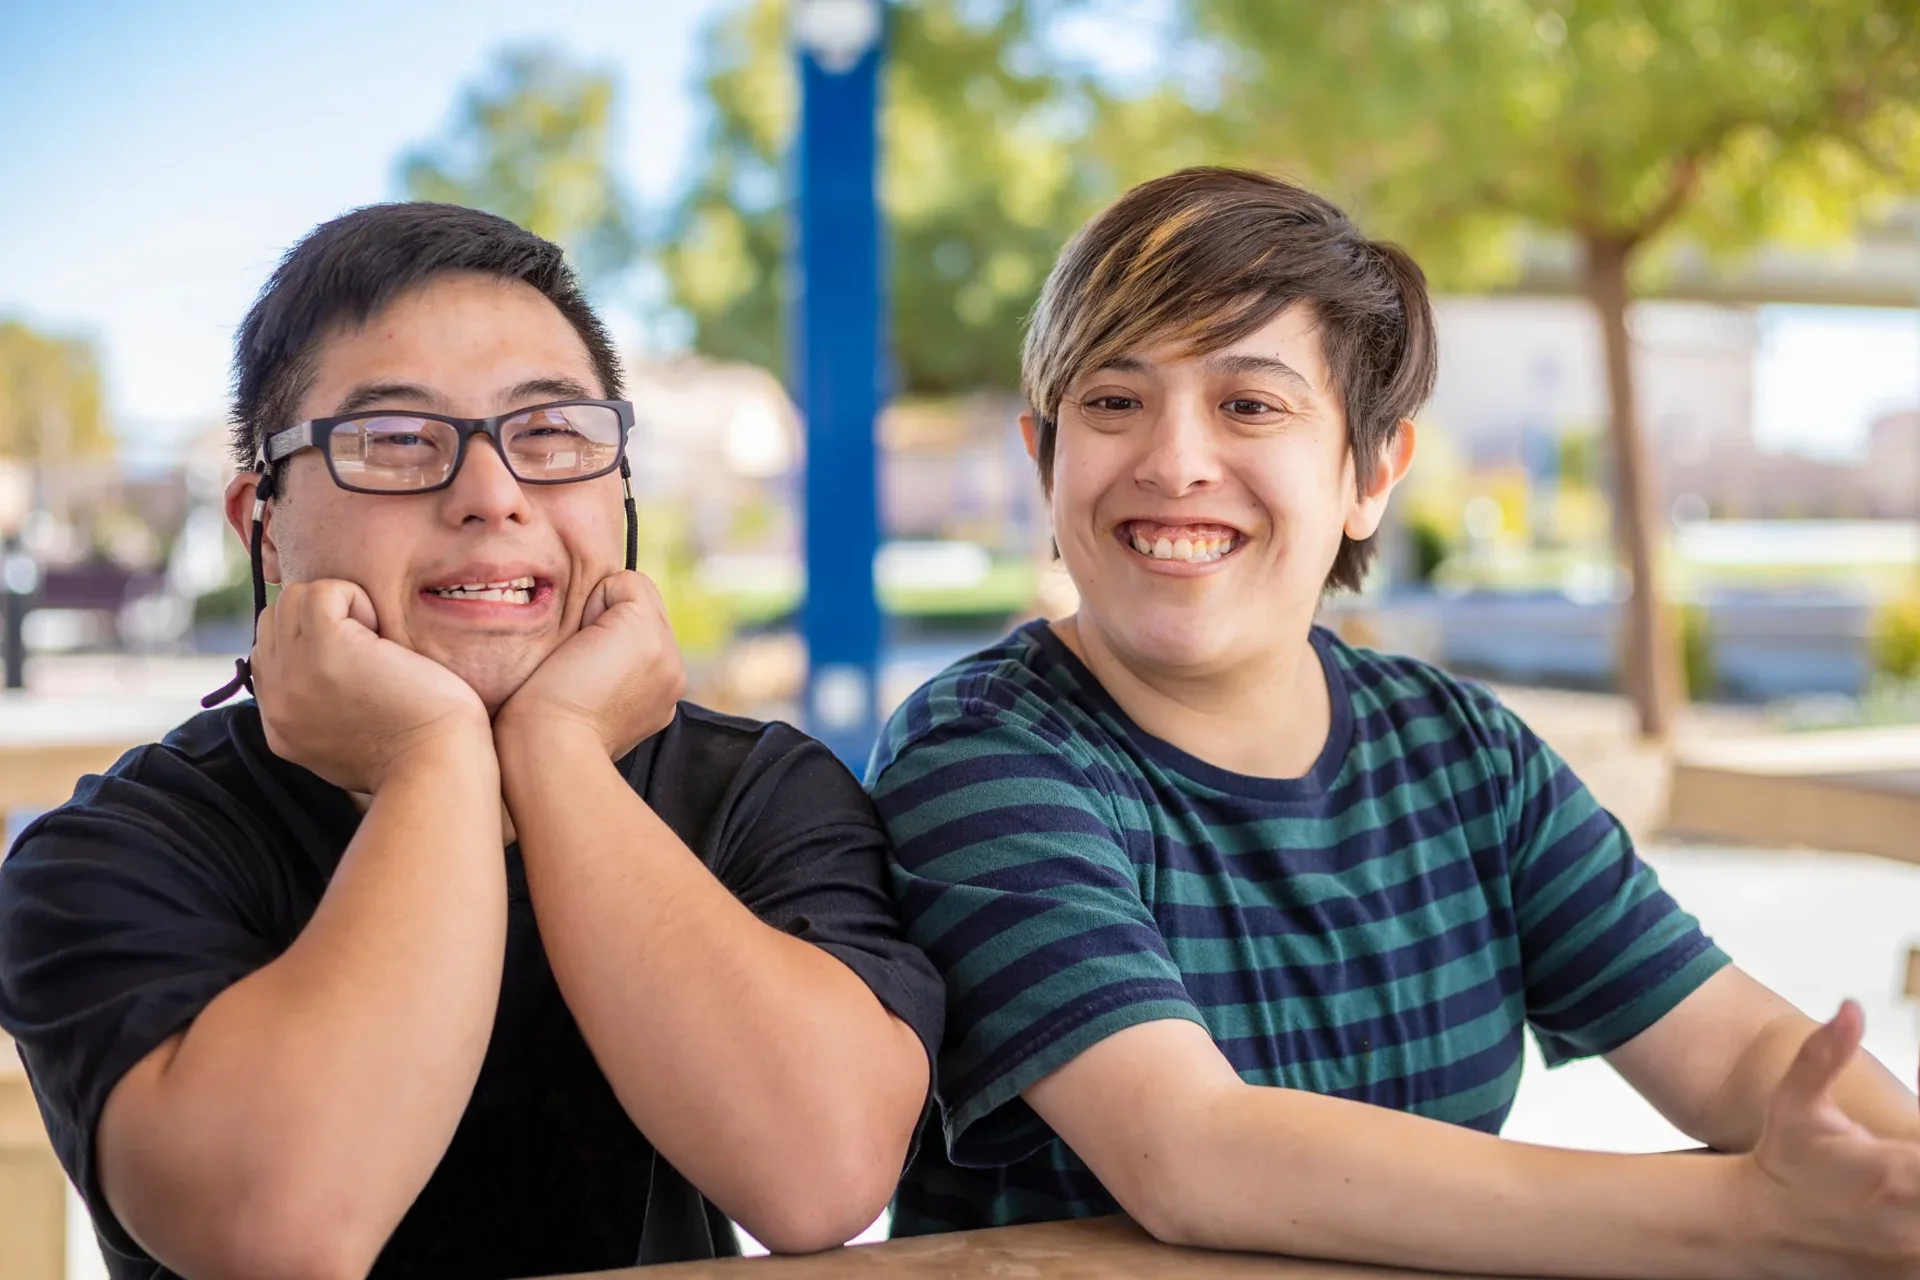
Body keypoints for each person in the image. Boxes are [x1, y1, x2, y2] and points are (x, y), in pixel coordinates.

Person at [867, 167, 1920, 1277]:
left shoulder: (1466, 753)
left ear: (1371, 472)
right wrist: (1749, 1220)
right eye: (1115, 401)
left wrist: (1879, 1175)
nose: (1175, 461)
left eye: (1249, 404)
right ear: (1044, 456)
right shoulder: (981, 754)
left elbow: (1742, 1046)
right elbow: (1197, 1152)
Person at [0, 203, 943, 1280]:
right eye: (397, 441)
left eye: (550, 434)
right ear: (261, 520)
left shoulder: (755, 792)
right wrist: (435, 755)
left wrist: (556, 751)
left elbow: (819, 1175)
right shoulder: (113, 852)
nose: (491, 495)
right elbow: (282, 1228)